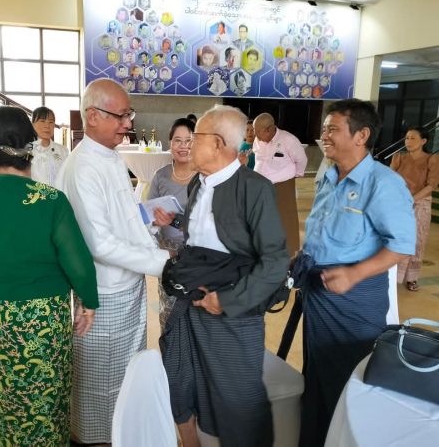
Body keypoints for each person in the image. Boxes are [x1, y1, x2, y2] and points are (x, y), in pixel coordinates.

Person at [0, 106, 98, 446]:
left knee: (0, 393)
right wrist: (87, 303)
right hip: (41, 318)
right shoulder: (51, 201)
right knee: (45, 394)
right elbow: (77, 262)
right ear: (31, 145)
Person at [163, 105, 289, 447]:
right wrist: (175, 222)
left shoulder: (254, 188)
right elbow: (205, 236)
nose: (188, 143)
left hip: (232, 314)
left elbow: (276, 261)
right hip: (191, 304)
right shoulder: (198, 183)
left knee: (238, 402)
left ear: (218, 143)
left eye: (195, 137)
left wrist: (227, 300)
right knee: (182, 377)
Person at [55, 78, 170, 444]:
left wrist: (149, 219)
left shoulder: (110, 156)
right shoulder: (83, 167)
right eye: (120, 115)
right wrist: (163, 263)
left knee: (123, 373)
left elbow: (122, 215)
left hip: (127, 283)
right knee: (99, 378)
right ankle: (95, 438)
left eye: (128, 114)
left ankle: (119, 432)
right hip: (103, 290)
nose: (128, 123)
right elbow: (99, 242)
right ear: (92, 116)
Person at [300, 99, 416, 446]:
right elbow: (322, 231)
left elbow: (402, 245)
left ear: (361, 135)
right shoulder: (328, 176)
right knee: (317, 372)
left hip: (353, 299)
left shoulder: (383, 183)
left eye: (333, 129)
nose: (324, 136)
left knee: (348, 377)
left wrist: (354, 274)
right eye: (324, 129)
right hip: (320, 290)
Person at [148, 117, 196, 330]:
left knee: (192, 313)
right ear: (170, 143)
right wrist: (156, 221)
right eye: (178, 140)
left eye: (188, 140)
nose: (183, 146)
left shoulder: (205, 177)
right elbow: (147, 216)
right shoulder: (161, 176)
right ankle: (168, 347)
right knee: (168, 310)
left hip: (196, 254)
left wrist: (175, 220)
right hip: (167, 254)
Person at [390, 126, 439, 291]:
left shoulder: (432, 159)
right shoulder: (399, 157)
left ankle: (412, 278)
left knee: (417, 240)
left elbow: (432, 184)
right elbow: (390, 179)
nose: (408, 141)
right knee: (396, 239)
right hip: (399, 203)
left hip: (420, 203)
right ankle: (392, 275)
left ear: (423, 141)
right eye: (407, 138)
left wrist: (411, 199)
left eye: (413, 138)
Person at [253, 112, 307, 257]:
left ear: (269, 129)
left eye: (258, 131)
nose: (255, 135)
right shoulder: (258, 139)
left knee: (286, 220)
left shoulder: (288, 140)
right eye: (254, 131)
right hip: (260, 186)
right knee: (262, 219)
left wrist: (294, 175)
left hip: (282, 186)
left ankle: (289, 255)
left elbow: (302, 160)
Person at [30, 106, 69, 186]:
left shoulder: (63, 150)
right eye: (42, 121)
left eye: (51, 122)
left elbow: (67, 178)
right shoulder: (27, 150)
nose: (47, 126)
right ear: (33, 124)